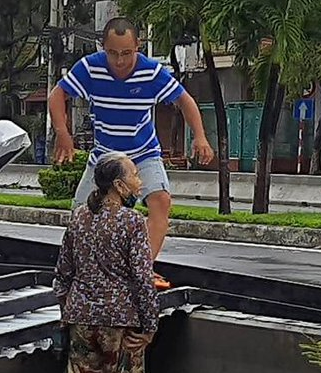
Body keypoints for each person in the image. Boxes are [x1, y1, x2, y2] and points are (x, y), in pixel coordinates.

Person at [49, 18, 216, 273]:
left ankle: (141, 269)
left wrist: (200, 136)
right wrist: (62, 133)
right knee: (81, 215)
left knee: (160, 201)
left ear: (138, 46)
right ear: (102, 47)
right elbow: (57, 95)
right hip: (106, 156)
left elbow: (185, 100)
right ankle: (82, 269)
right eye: (113, 53)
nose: (120, 61)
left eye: (127, 53)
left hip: (142, 153)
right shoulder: (90, 68)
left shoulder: (150, 72)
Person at [53, 154, 158, 373]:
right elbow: (143, 280)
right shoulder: (132, 223)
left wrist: (66, 312)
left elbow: (62, 275)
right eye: (134, 175)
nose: (139, 181)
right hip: (121, 322)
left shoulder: (79, 219)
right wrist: (150, 324)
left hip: (82, 319)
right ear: (118, 185)